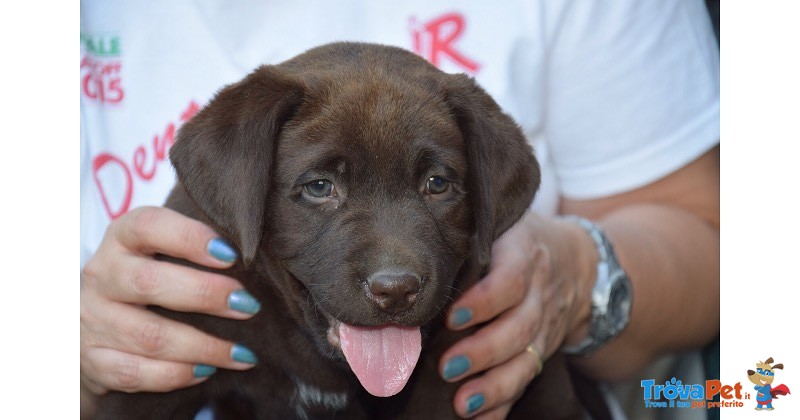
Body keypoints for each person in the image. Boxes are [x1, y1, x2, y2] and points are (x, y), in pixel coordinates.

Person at [80, 1, 720, 418]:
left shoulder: (489, 298)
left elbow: (715, 240)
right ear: (237, 191)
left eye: (438, 184)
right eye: (320, 187)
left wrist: (580, 275)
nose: (394, 272)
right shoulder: (203, 249)